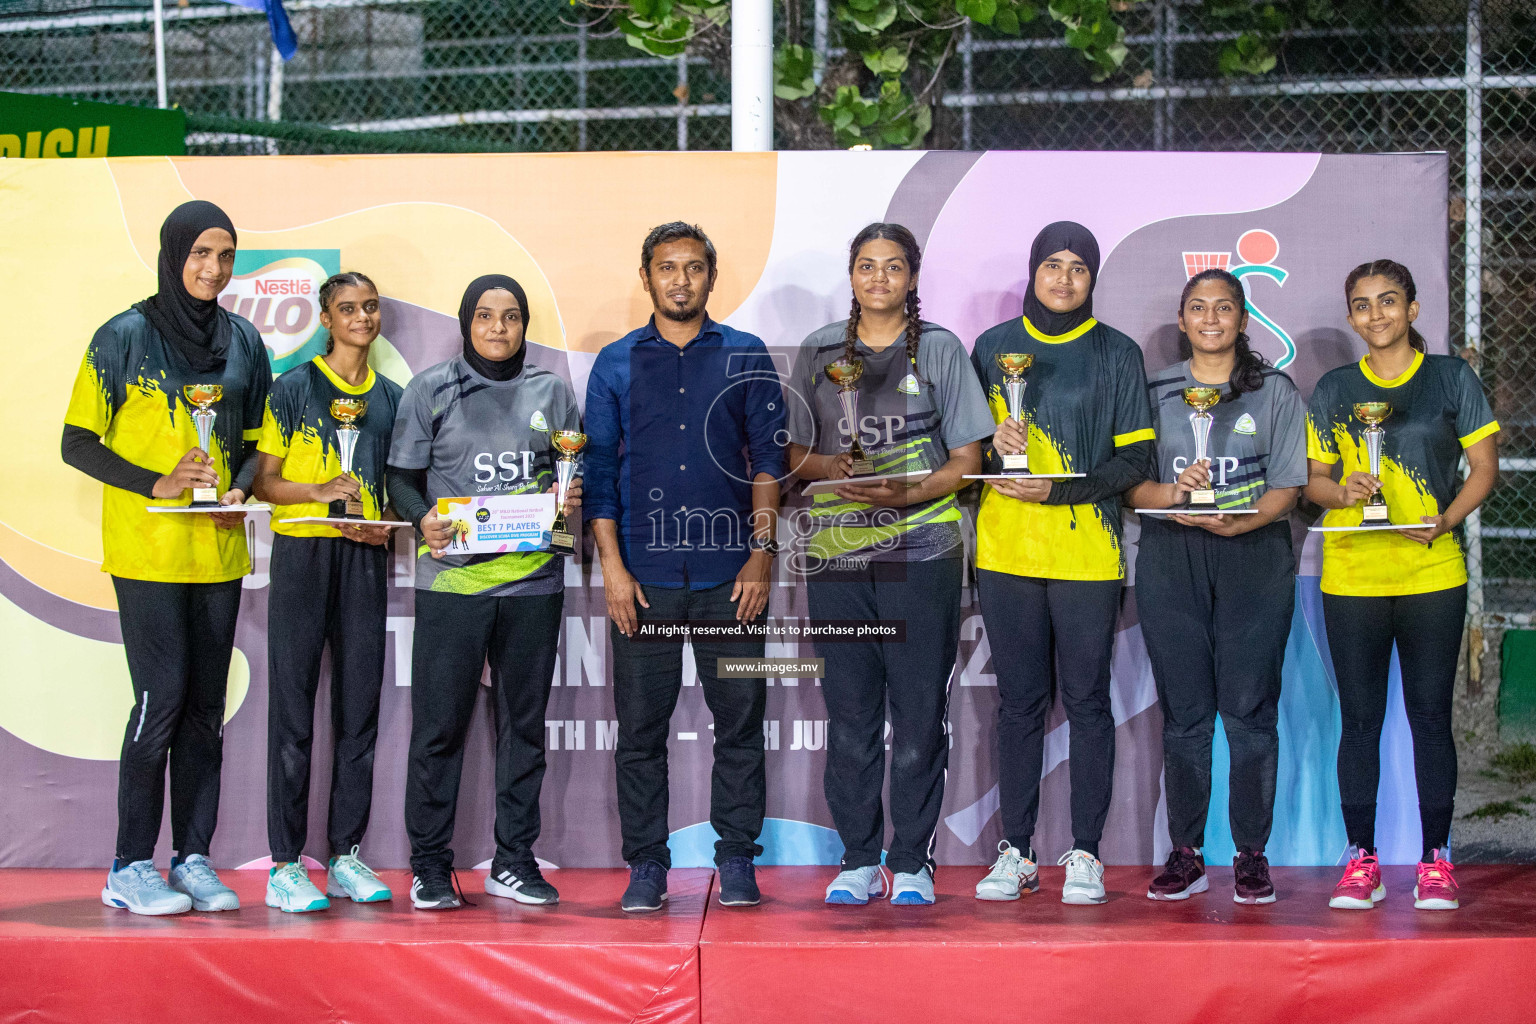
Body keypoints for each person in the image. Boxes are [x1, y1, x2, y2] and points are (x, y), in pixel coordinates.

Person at [62, 200, 269, 916]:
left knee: (204, 714)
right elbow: (77, 442)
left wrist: (240, 486)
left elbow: (253, 442)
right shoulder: (122, 336)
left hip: (219, 554)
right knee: (161, 703)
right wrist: (157, 481)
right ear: (172, 253)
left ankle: (193, 858)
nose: (213, 269)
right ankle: (127, 867)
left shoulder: (245, 340)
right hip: (147, 553)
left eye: (225, 255)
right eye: (200, 254)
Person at [785, 223, 991, 906]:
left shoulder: (939, 350)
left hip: (922, 549)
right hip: (837, 553)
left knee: (917, 710)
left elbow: (967, 463)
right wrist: (832, 468)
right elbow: (790, 455)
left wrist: (907, 491)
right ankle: (856, 856)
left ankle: (911, 860)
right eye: (867, 267)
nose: (879, 279)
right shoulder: (817, 351)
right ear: (851, 275)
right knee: (849, 712)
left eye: (893, 267)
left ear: (912, 276)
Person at [584, 222, 786, 912]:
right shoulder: (614, 364)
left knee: (741, 724)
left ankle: (736, 860)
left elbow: (769, 464)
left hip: (734, 577)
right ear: (647, 277)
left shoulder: (745, 354)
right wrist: (612, 569)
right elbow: (600, 477)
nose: (680, 280)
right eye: (667, 268)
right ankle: (647, 865)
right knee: (641, 732)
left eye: (693, 268)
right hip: (643, 580)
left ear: (710, 276)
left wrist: (762, 556)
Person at [970, 221, 1154, 906]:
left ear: (1093, 277)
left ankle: (1086, 853)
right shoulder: (991, 349)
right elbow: (967, 459)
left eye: (1080, 267)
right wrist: (994, 449)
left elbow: (1136, 461)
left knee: (1085, 703)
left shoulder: (1116, 353)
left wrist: (1061, 489)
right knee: (1018, 704)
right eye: (1054, 264)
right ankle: (1015, 851)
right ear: (1033, 269)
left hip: (1086, 554)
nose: (1066, 278)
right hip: (1006, 552)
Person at [1305, 260, 1498, 912]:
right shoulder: (1334, 389)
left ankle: (1435, 859)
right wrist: (1344, 489)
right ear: (1352, 316)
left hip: (1431, 573)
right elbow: (1314, 483)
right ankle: (1362, 860)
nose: (1376, 314)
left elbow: (1484, 469)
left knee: (1428, 717)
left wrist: (1445, 519)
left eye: (1388, 301)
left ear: (1413, 309)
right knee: (1359, 721)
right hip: (1353, 575)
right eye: (1362, 305)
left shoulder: (1449, 378)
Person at [386, 274, 582, 911]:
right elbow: (401, 478)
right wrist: (421, 519)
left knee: (523, 728)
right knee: (440, 729)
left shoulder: (552, 392)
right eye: (486, 316)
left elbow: (567, 473)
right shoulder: (431, 389)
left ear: (525, 325)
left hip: (533, 585)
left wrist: (567, 498)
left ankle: (515, 861)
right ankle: (430, 867)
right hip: (454, 584)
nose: (499, 328)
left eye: (512, 316)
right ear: (467, 322)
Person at [1126, 269, 1307, 905]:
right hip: (1172, 557)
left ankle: (1252, 856)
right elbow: (1131, 486)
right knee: (1185, 714)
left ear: (1241, 319)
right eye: (1198, 307)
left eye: (1223, 308)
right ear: (1181, 320)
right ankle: (1187, 853)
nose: (1210, 319)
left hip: (1253, 556)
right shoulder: (1152, 393)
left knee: (1250, 711)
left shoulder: (1274, 392)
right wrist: (1173, 496)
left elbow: (1289, 486)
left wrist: (1244, 521)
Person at [253, 272, 402, 912]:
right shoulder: (292, 389)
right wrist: (316, 493)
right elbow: (265, 481)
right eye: (348, 308)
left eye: (370, 307)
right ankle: (285, 865)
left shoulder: (394, 399)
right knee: (292, 714)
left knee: (358, 711)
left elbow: (398, 490)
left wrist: (382, 529)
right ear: (325, 317)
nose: (361, 318)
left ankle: (345, 855)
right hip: (302, 554)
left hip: (363, 559)